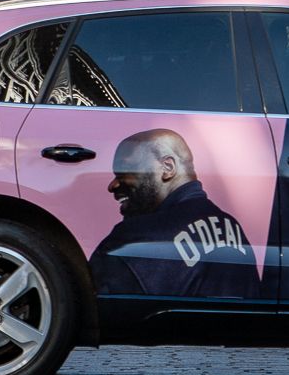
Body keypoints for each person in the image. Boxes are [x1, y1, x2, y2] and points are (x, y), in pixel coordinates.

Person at [88, 129, 262, 301]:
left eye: (124, 171)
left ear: (168, 167)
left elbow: (90, 312)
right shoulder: (232, 228)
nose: (112, 185)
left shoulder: (134, 236)